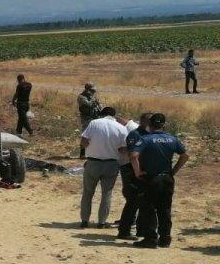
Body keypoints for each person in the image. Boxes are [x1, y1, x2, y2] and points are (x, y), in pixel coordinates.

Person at [131, 113, 188, 248]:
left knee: (149, 208)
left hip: (151, 179)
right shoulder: (172, 139)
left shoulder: (146, 139)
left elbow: (133, 156)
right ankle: (165, 238)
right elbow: (185, 155)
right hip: (167, 178)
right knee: (165, 209)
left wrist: (137, 172)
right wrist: (174, 170)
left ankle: (150, 239)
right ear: (163, 125)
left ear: (149, 125)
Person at [78, 106, 127, 229]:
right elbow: (123, 149)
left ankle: (84, 220)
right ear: (114, 115)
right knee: (107, 194)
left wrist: (92, 147)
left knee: (88, 193)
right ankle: (101, 222)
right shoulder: (121, 128)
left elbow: (83, 142)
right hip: (111, 164)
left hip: (93, 162)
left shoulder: (94, 123)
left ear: (102, 114)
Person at [116, 112, 151, 240]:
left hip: (144, 170)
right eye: (150, 121)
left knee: (145, 201)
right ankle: (124, 231)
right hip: (131, 170)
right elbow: (131, 152)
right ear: (143, 122)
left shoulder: (150, 134)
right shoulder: (135, 134)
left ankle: (141, 230)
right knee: (133, 201)